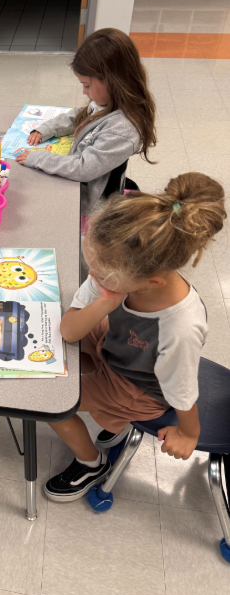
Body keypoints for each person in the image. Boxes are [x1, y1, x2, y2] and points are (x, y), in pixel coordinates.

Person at [44, 172, 226, 503]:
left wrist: (188, 433)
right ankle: (92, 382)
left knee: (47, 398)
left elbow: (183, 392)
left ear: (153, 282)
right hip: (117, 344)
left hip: (138, 389)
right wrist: (107, 299)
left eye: (100, 275)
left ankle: (90, 464)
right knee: (53, 335)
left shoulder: (179, 328)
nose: (92, 275)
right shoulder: (121, 267)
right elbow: (69, 330)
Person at [15, 27, 157, 217]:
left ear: (112, 81)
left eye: (87, 85)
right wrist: (47, 128)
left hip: (90, 203)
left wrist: (38, 159)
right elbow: (79, 115)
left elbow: (84, 168)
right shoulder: (105, 102)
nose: (84, 92)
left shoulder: (122, 130)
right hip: (78, 184)